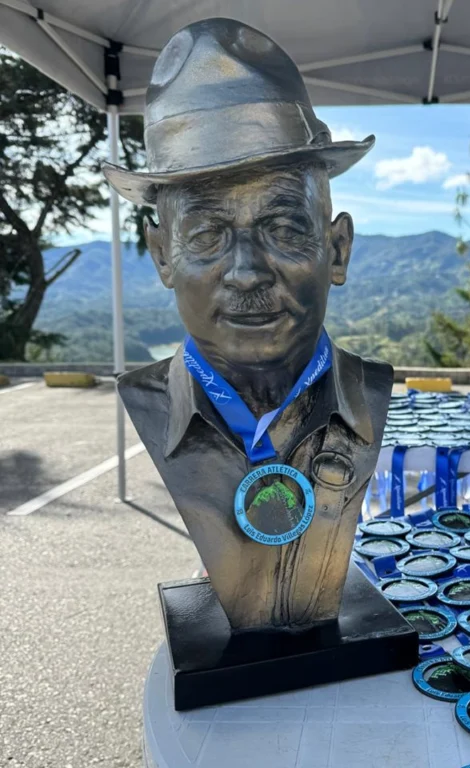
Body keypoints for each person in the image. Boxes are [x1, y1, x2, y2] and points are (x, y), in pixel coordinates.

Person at [101, 18, 393, 631]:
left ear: (337, 250)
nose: (245, 272)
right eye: (206, 234)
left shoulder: (369, 393)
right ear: (161, 257)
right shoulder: (149, 402)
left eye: (285, 228)